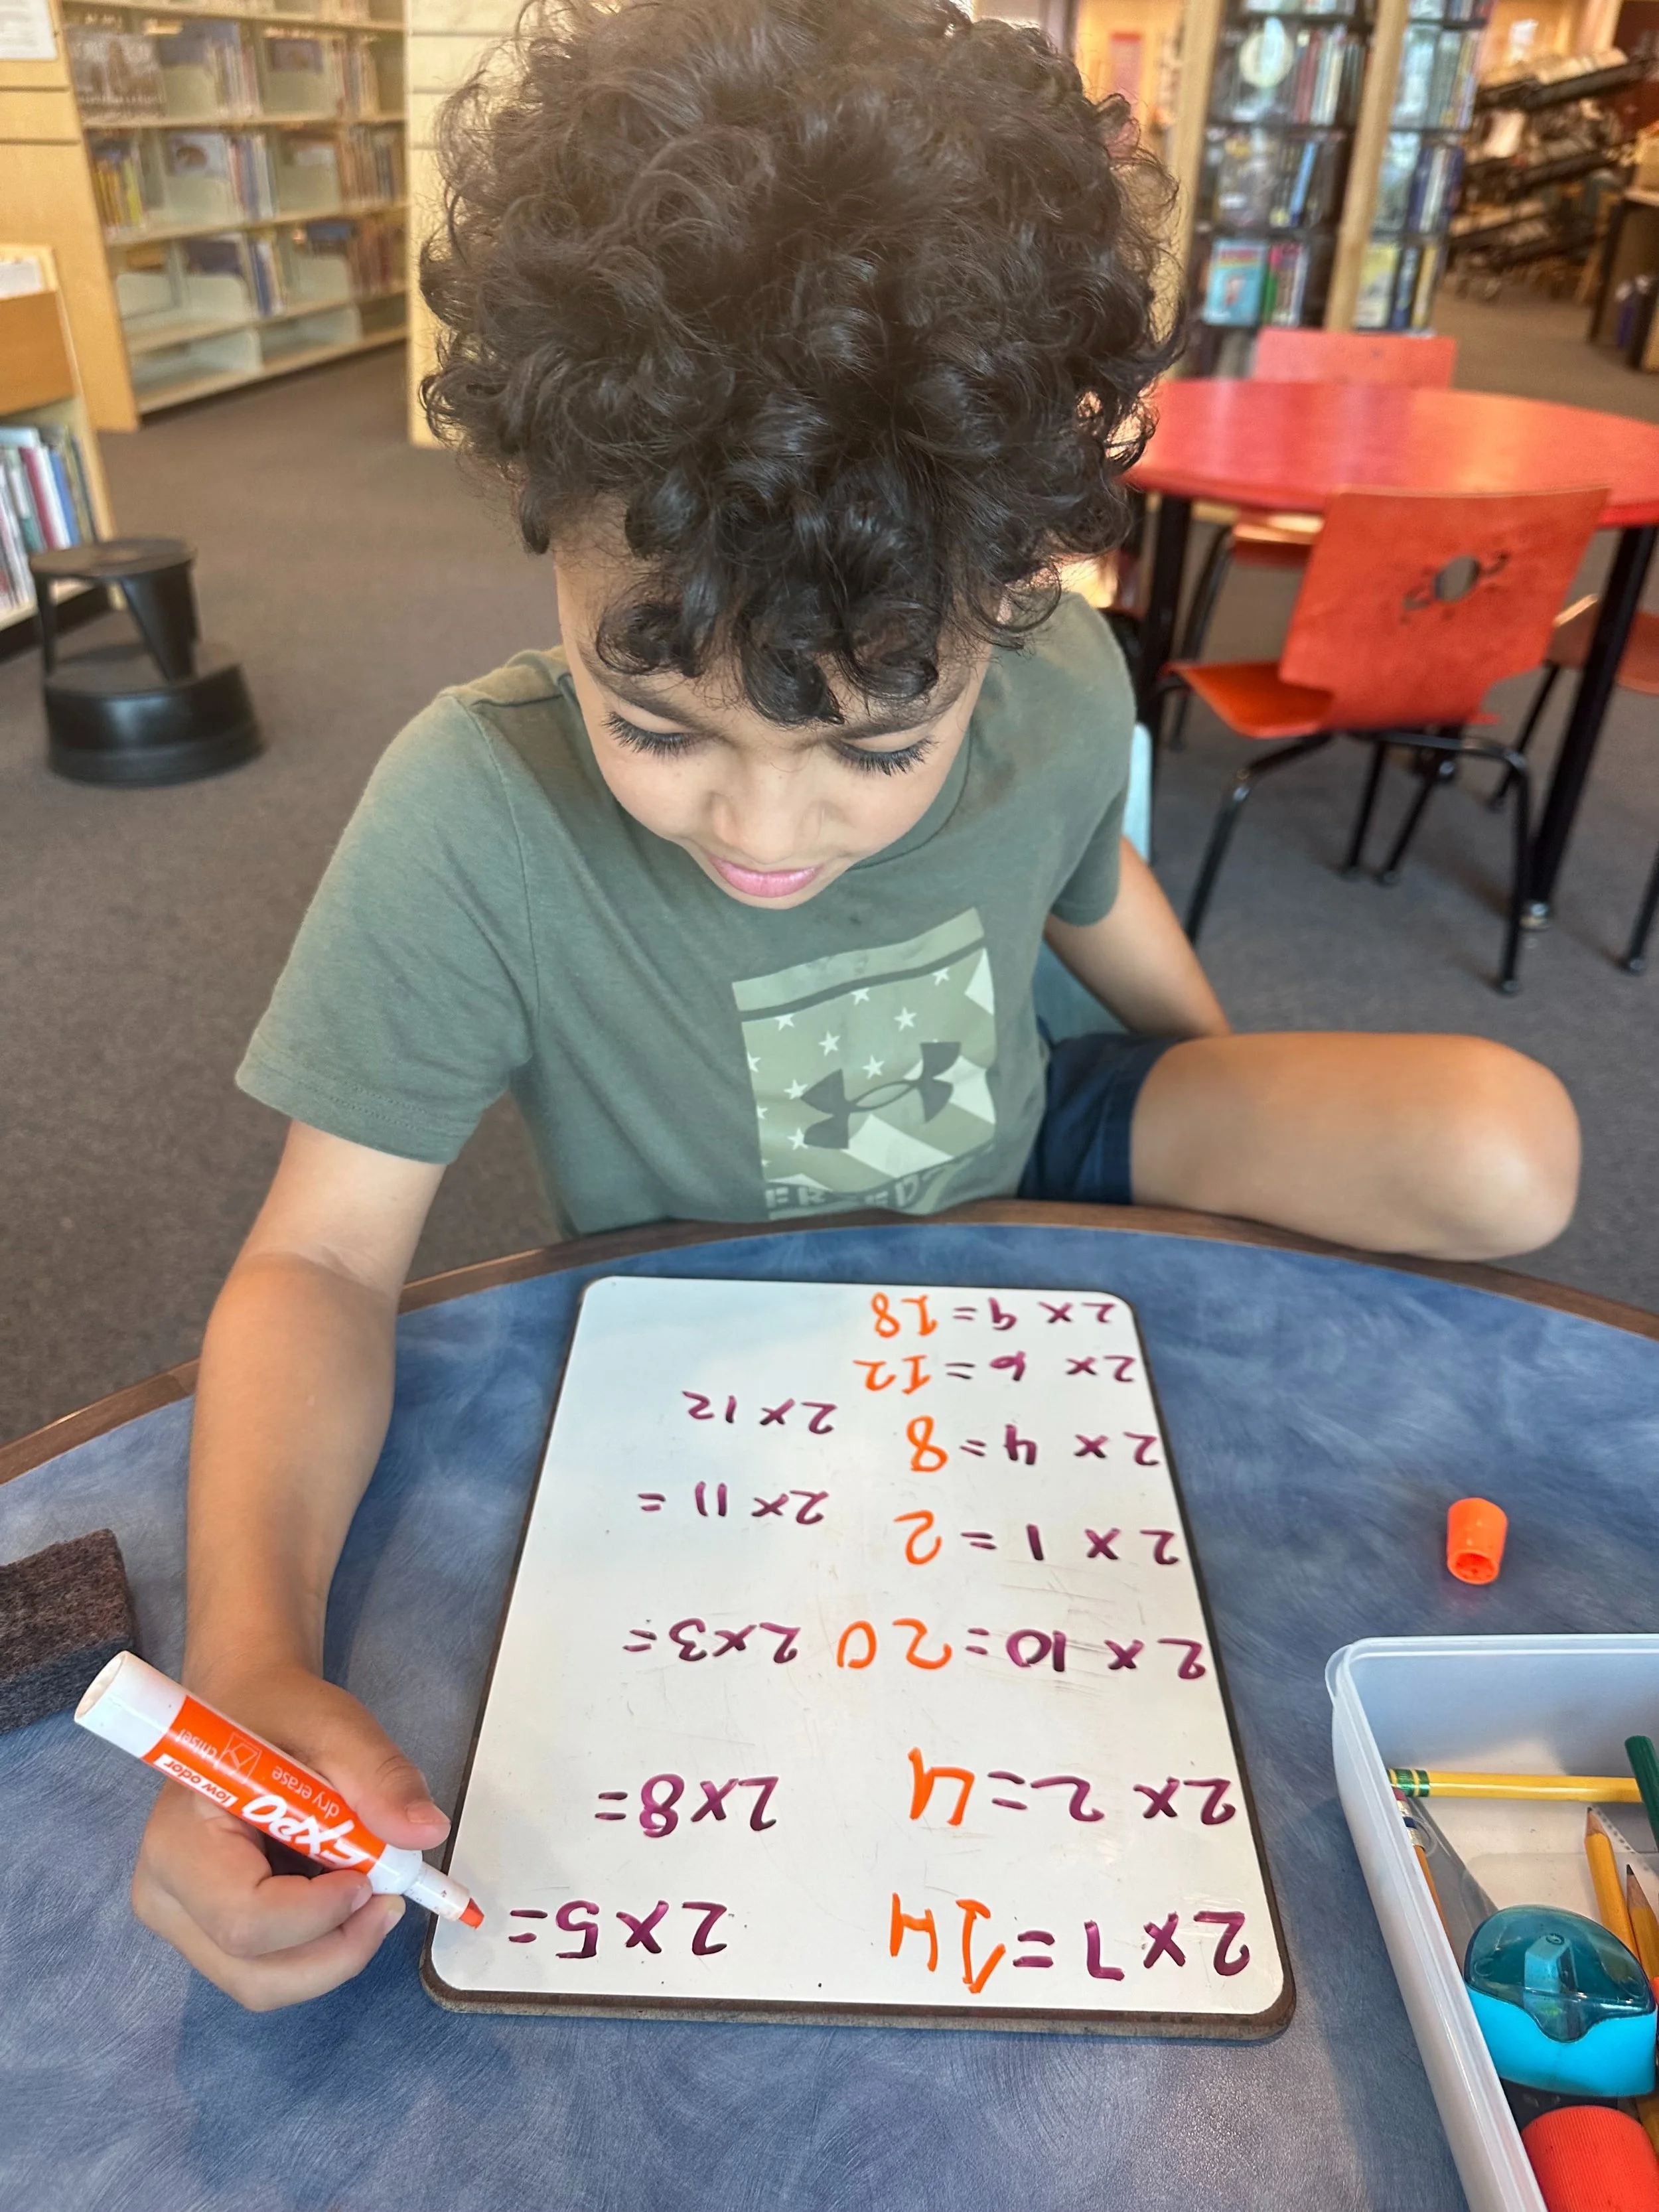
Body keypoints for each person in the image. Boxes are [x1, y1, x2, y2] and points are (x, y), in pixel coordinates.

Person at [131, 0, 1579, 2010]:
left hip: (1031, 1136)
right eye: (654, 720)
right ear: (546, 546)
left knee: (1513, 1142)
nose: (762, 824)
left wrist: (1217, 1084)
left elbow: (1098, 895)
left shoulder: (1060, 687)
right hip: (703, 1294)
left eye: (872, 750)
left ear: (1004, 611)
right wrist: (254, 1655)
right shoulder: (471, 807)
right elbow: (313, 1259)